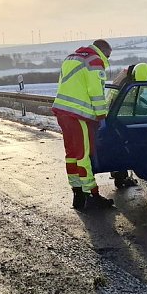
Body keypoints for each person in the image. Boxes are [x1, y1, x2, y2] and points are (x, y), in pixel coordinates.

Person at [52, 39, 114, 210]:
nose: (107, 59)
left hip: (63, 112)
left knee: (72, 154)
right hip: (78, 115)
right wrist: (102, 115)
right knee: (83, 155)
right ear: (104, 51)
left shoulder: (72, 57)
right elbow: (96, 92)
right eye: (108, 56)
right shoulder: (95, 61)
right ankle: (92, 195)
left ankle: (78, 192)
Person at [107, 62, 147, 189]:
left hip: (119, 114)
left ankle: (121, 176)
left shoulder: (133, 75)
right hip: (117, 116)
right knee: (120, 147)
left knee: (121, 147)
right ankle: (120, 178)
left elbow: (136, 98)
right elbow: (127, 102)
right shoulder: (124, 84)